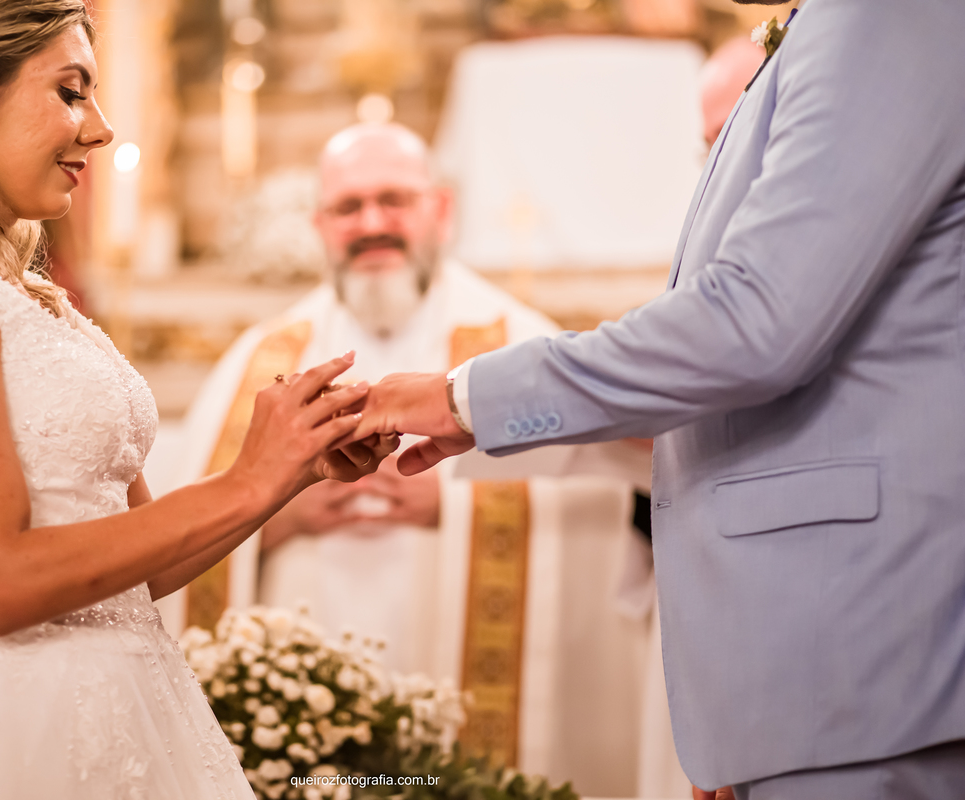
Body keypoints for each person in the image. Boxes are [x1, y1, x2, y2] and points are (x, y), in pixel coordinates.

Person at [0, 2, 396, 796]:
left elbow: (136, 560)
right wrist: (245, 481)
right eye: (71, 92)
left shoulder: (25, 296)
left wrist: (287, 469)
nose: (99, 128)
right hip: (16, 730)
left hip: (133, 707)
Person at [353, 1, 965, 797]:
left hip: (856, 648)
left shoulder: (888, 15)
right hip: (812, 662)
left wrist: (463, 396)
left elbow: (756, 322)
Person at [160, 122, 656, 793]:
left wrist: (454, 504)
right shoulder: (261, 360)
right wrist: (278, 516)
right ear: (320, 224)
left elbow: (613, 502)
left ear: (441, 210)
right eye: (348, 207)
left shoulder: (516, 346)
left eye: (394, 200)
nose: (372, 223)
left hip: (458, 698)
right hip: (297, 720)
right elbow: (176, 528)